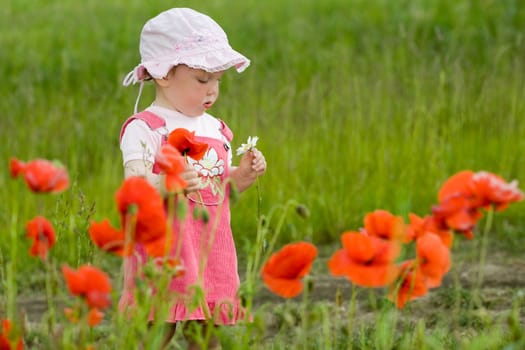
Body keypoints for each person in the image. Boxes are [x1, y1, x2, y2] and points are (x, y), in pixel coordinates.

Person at [118, 8, 267, 349]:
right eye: (202, 80)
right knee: (159, 327)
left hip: (209, 248)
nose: (212, 90)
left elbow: (222, 187)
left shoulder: (215, 128)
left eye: (217, 80)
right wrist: (168, 182)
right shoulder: (146, 127)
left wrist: (244, 174)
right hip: (166, 251)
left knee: (206, 332)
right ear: (162, 74)